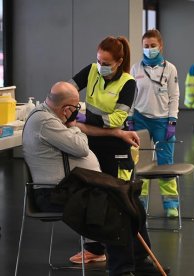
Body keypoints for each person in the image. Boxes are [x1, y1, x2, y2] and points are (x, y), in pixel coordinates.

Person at [23, 82, 164, 276]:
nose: (77, 112)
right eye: (75, 108)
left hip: (73, 188)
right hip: (54, 193)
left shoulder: (54, 117)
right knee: (116, 211)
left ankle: (139, 263)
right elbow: (80, 146)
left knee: (130, 200)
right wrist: (74, 127)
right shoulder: (45, 122)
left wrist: (71, 126)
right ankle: (121, 271)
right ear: (66, 109)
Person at [68, 36, 164, 275]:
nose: (100, 65)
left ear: (120, 62)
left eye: (106, 62)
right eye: (99, 59)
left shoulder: (128, 83)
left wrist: (81, 117)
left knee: (126, 203)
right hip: (92, 149)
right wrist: (73, 106)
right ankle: (97, 249)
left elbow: (116, 120)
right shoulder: (91, 71)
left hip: (117, 153)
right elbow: (69, 91)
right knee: (96, 200)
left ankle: (142, 261)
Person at [129, 29, 180, 218]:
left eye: (153, 46)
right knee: (140, 163)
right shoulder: (136, 69)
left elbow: (174, 96)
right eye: (146, 46)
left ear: (160, 46)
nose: (149, 49)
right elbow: (131, 96)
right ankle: (140, 203)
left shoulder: (170, 69)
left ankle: (171, 204)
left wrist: (172, 120)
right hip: (140, 119)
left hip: (163, 121)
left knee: (165, 163)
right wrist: (130, 118)